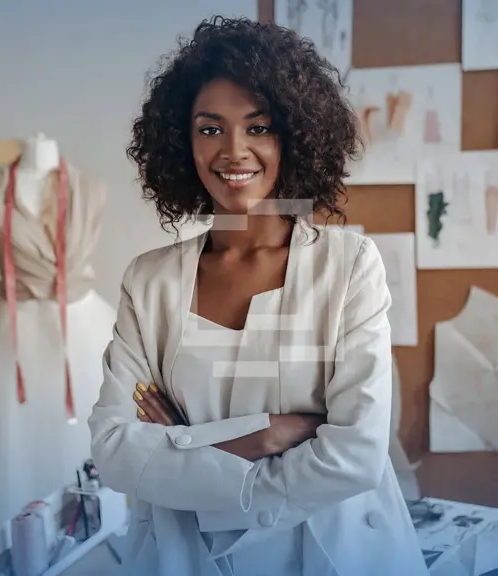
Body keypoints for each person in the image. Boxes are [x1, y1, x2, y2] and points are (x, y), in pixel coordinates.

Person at [87, 16, 427, 576]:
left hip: (330, 552)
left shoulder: (348, 266)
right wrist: (268, 435)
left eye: (259, 126)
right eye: (211, 128)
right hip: (185, 557)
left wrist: (187, 445)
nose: (234, 150)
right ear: (183, 140)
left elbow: (356, 456)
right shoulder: (149, 282)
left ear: (293, 134)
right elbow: (116, 451)